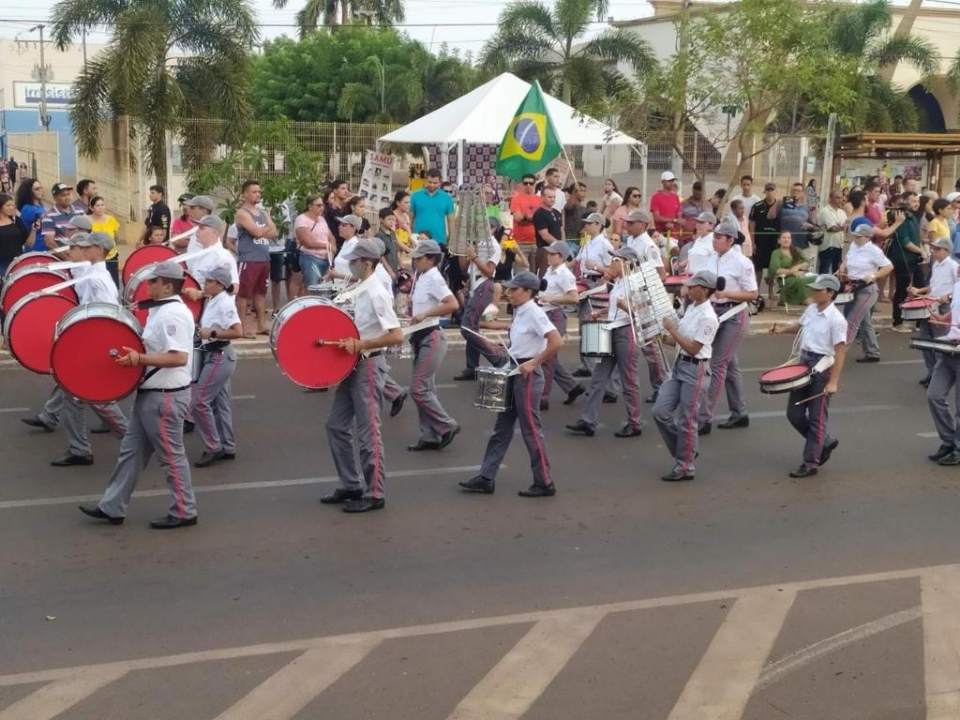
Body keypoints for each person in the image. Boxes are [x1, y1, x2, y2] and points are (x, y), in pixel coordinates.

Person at [79, 260, 198, 529]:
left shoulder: (173, 315)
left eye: (154, 281)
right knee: (130, 453)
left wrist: (139, 358)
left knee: (171, 456)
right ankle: (112, 506)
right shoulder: (162, 309)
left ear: (168, 286)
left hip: (165, 396)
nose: (149, 283)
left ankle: (184, 510)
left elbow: (179, 357)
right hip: (152, 393)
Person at [459, 271, 561, 498]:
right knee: (502, 428)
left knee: (530, 430)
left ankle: (544, 481)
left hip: (527, 376)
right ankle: (486, 477)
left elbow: (556, 341)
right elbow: (526, 341)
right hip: (515, 371)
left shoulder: (534, 312)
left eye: (514, 289)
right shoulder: (521, 312)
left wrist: (534, 362)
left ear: (528, 292)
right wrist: (507, 349)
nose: (509, 293)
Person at [319, 241, 403, 513]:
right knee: (336, 426)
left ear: (366, 263)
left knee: (369, 432)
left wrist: (361, 345)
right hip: (351, 364)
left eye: (355, 260)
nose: (351, 264)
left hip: (368, 365)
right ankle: (351, 483)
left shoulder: (377, 291)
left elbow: (395, 335)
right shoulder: (359, 287)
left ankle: (375, 492)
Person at [51, 232, 129, 467]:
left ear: (99, 250)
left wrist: (96, 346)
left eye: (88, 247)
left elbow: (108, 313)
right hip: (87, 341)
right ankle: (80, 448)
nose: (83, 250)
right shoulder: (93, 273)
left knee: (97, 397)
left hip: (95, 343)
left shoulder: (98, 279)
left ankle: (133, 438)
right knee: (73, 394)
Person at [769, 275, 847, 478]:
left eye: (818, 289)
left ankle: (810, 462)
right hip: (804, 362)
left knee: (816, 417)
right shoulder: (812, 309)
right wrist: (782, 330)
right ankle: (824, 441)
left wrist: (833, 382)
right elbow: (800, 326)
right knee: (793, 413)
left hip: (822, 366)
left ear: (830, 293)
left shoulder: (837, 319)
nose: (813, 291)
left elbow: (839, 351)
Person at [566, 246, 645, 439]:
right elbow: (616, 308)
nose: (611, 263)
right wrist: (602, 313)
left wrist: (622, 305)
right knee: (599, 377)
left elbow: (642, 313)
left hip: (627, 332)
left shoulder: (636, 283)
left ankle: (635, 422)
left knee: (629, 381)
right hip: (612, 329)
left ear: (626, 263)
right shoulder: (618, 283)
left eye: (615, 260)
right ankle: (587, 420)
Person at [654, 271, 721, 482]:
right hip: (680, 366)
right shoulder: (691, 308)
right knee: (660, 411)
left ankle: (685, 466)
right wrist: (661, 337)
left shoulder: (709, 318)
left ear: (705, 290)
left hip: (696, 369)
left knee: (687, 420)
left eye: (693, 286)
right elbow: (680, 341)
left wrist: (672, 331)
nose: (688, 289)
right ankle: (688, 450)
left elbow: (693, 348)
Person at [699, 222, 758, 434]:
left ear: (730, 240)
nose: (714, 239)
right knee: (730, 366)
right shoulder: (712, 257)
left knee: (717, 365)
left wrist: (726, 295)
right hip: (716, 313)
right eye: (714, 236)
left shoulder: (742, 263)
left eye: (718, 237)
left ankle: (704, 418)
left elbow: (753, 294)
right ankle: (740, 412)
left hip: (734, 315)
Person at [406, 239, 461, 451]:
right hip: (420, 336)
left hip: (432, 336)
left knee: (418, 389)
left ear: (431, 259)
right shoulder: (422, 276)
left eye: (419, 258)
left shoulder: (434, 278)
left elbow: (452, 304)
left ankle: (447, 425)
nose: (415, 261)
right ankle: (429, 435)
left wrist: (425, 314)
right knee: (426, 388)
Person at [192, 264, 242, 468]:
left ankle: (214, 446)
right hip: (217, 355)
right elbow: (203, 293)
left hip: (219, 355)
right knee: (220, 405)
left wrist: (211, 334)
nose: (206, 284)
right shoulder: (214, 298)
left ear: (220, 284)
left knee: (199, 401)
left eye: (210, 281)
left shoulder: (225, 304)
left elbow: (238, 331)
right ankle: (227, 446)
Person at [538, 241, 585, 410]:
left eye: (553, 254)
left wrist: (551, 299)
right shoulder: (549, 271)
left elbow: (574, 298)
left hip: (555, 315)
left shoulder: (565, 274)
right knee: (548, 356)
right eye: (549, 253)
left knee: (548, 358)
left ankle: (543, 397)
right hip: (545, 314)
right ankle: (572, 387)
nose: (549, 256)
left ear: (562, 257)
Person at [454, 223, 504, 381]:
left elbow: (489, 271)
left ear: (493, 229)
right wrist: (464, 253)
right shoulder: (478, 243)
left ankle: (497, 358)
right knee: (472, 328)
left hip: (483, 285)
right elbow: (465, 268)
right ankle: (472, 367)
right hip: (472, 285)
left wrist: (474, 257)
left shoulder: (493, 246)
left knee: (467, 329)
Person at [838, 224, 893, 363]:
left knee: (852, 320)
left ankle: (838, 354)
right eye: (855, 235)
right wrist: (841, 268)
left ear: (868, 237)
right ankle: (872, 351)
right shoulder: (853, 246)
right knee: (864, 321)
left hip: (867, 289)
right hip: (852, 286)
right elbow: (847, 259)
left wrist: (874, 275)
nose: (855, 238)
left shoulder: (874, 250)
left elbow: (888, 267)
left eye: (859, 236)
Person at [909, 237, 957, 385]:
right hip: (930, 304)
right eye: (933, 249)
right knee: (924, 341)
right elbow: (932, 287)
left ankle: (939, 376)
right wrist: (919, 290)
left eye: (937, 249)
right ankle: (931, 372)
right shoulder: (935, 265)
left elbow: (959, 287)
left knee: (939, 343)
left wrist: (947, 297)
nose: (934, 251)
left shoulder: (953, 266)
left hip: (944, 307)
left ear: (947, 250)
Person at [234, 180, 278, 337]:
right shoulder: (242, 213)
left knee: (261, 293)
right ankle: (242, 327)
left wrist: (263, 229)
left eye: (259, 191)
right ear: (245, 194)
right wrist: (266, 227)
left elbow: (276, 233)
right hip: (249, 259)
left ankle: (261, 324)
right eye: (254, 192)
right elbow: (258, 233)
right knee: (244, 294)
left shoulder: (263, 213)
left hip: (263, 258)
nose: (258, 194)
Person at [574, 212, 614, 378]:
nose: (587, 226)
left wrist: (597, 268)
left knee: (593, 324)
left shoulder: (605, 244)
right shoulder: (588, 242)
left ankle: (594, 366)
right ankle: (587, 363)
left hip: (597, 284)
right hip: (585, 283)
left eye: (590, 223)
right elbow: (577, 261)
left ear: (599, 225)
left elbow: (613, 269)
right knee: (584, 323)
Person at [926, 274, 960, 466]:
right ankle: (949, 440)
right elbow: (954, 312)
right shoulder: (958, 286)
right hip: (950, 348)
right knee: (934, 395)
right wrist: (942, 319)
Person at [889, 191, 925, 332]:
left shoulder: (914, 217)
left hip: (914, 258)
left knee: (921, 286)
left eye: (918, 201)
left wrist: (921, 250)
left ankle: (921, 321)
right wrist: (920, 250)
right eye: (913, 201)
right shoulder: (902, 218)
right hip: (903, 258)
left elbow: (916, 238)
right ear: (905, 201)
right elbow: (905, 242)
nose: (916, 203)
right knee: (902, 290)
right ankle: (897, 322)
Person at [185, 215, 239, 291]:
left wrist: (201, 294)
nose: (197, 231)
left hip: (217, 302)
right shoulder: (203, 253)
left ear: (214, 232)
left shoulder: (222, 256)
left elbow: (234, 288)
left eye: (201, 228)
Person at [294, 194, 334, 289]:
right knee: (313, 288)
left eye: (322, 205)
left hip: (326, 259)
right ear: (310, 206)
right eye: (318, 205)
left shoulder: (322, 219)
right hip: (311, 258)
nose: (322, 208)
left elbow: (331, 237)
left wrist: (332, 249)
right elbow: (308, 242)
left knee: (324, 288)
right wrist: (327, 246)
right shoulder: (301, 219)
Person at [749, 182, 781, 298]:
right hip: (760, 241)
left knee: (772, 268)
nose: (770, 192)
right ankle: (756, 292)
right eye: (768, 190)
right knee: (758, 267)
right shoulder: (757, 206)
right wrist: (752, 242)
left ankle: (770, 291)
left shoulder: (780, 207)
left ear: (776, 191)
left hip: (774, 242)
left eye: (772, 190)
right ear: (765, 191)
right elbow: (752, 223)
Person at [410, 169, 456, 249]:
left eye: (435, 183)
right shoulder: (415, 196)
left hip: (439, 241)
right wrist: (410, 238)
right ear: (425, 180)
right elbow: (410, 219)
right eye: (429, 182)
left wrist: (452, 242)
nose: (432, 185)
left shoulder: (447, 198)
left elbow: (451, 222)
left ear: (440, 182)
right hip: (418, 240)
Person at [769, 231, 814, 307]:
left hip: (802, 273)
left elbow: (807, 262)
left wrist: (798, 267)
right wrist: (792, 272)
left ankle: (814, 301)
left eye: (788, 238)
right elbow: (776, 270)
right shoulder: (776, 253)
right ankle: (809, 303)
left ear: (791, 240)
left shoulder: (797, 250)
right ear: (779, 241)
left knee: (816, 278)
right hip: (786, 277)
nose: (786, 240)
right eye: (784, 238)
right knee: (801, 281)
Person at [88, 195, 122, 287]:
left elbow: (117, 237)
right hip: (96, 258)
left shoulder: (111, 219)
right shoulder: (87, 220)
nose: (100, 208)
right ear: (91, 207)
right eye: (97, 206)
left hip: (111, 256)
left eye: (102, 205)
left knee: (113, 283)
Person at [40, 183, 84, 250]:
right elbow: (50, 243)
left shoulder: (80, 212)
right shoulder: (48, 216)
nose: (67, 198)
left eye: (68, 194)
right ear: (55, 197)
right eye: (63, 195)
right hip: (62, 258)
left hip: (81, 255)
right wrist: (67, 257)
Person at [508, 173, 541, 263]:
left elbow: (541, 219)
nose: (528, 185)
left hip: (537, 243)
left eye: (531, 183)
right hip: (520, 243)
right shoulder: (516, 198)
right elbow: (518, 218)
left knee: (534, 275)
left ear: (535, 184)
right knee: (520, 274)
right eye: (525, 183)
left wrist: (525, 216)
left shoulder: (540, 199)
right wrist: (533, 218)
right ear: (522, 184)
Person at [0, 192, 32, 278]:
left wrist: (34, 230)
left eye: (12, 205)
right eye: (8, 205)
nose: (12, 208)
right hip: (2, 265)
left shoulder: (16, 220)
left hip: (18, 261)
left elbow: (27, 242)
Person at [532, 186, 562, 276]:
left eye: (554, 197)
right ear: (542, 197)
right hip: (545, 250)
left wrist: (562, 245)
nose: (552, 199)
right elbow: (544, 235)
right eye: (549, 197)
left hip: (558, 249)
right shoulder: (539, 214)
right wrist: (559, 245)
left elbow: (561, 229)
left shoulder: (557, 212)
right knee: (545, 275)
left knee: (557, 274)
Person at [817, 189, 847, 274]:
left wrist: (839, 227)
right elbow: (833, 228)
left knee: (837, 271)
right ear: (830, 198)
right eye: (837, 197)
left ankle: (834, 287)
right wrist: (840, 227)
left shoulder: (842, 212)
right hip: (828, 245)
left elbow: (846, 227)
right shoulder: (825, 211)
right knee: (824, 270)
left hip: (839, 245)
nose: (840, 200)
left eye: (841, 198)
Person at [15, 178, 45, 251]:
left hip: (43, 246)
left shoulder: (39, 205)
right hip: (36, 247)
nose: (40, 190)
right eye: (37, 189)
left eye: (41, 188)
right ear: (29, 192)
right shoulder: (28, 209)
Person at [650, 171, 681, 240]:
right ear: (663, 182)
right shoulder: (655, 197)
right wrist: (673, 220)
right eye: (669, 181)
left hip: (674, 234)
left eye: (673, 180)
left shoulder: (675, 197)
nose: (672, 183)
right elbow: (656, 217)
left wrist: (673, 223)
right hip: (660, 234)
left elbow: (679, 215)